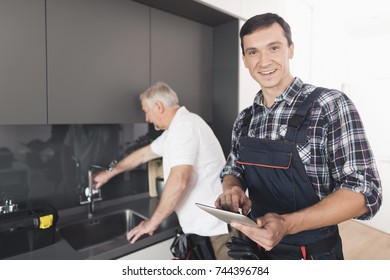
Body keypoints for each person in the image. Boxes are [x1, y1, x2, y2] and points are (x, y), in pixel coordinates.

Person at [215, 13, 382, 260]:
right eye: (253, 52)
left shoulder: (329, 105)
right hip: (256, 252)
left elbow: (364, 192)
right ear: (244, 59)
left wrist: (287, 224)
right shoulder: (245, 119)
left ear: (290, 50)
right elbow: (234, 169)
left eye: (273, 48)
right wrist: (232, 188)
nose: (264, 61)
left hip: (313, 256)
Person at [94, 82, 233, 259]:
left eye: (146, 111)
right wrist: (109, 174)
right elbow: (143, 155)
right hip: (203, 228)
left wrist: (152, 223)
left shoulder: (185, 126)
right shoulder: (175, 130)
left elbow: (180, 179)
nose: (147, 118)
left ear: (158, 106)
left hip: (216, 229)